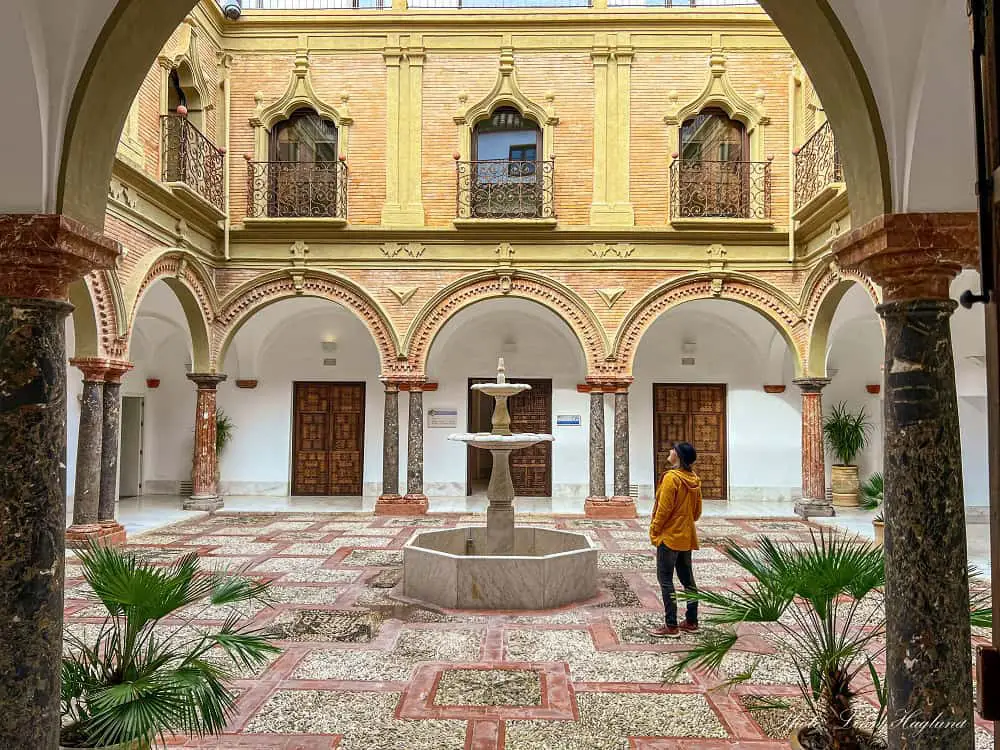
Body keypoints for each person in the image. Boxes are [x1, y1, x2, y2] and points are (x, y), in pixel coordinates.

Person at [648, 441, 702, 638]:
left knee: (666, 581)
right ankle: (691, 620)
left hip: (669, 537)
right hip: (686, 536)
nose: (669, 451)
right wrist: (684, 520)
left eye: (673, 449)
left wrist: (654, 529)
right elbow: (696, 513)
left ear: (678, 456)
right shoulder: (694, 479)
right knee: (688, 580)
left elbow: (663, 510)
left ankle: (671, 625)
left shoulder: (672, 478)